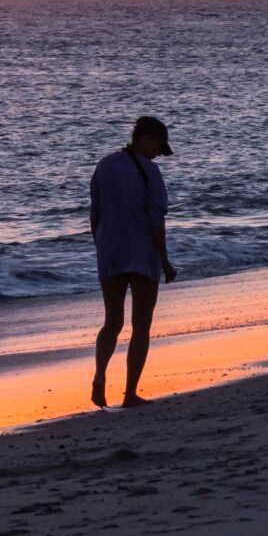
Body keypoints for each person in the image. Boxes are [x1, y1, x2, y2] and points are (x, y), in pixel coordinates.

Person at [89, 115, 177, 408]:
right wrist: (164, 260)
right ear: (147, 138)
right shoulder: (150, 172)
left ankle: (100, 376)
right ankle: (130, 393)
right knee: (141, 325)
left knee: (111, 322)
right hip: (142, 252)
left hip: (110, 250)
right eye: (158, 147)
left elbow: (95, 213)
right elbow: (156, 219)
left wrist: (101, 244)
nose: (157, 154)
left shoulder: (104, 166)